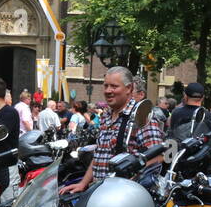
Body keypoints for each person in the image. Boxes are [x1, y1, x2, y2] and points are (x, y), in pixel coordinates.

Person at [60, 66, 165, 194]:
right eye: (106, 86)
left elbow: (157, 157)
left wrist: (132, 178)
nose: (108, 91)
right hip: (101, 193)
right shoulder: (106, 115)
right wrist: (83, 183)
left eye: (114, 86)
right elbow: (100, 155)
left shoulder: (141, 116)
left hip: (123, 197)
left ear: (129, 88)